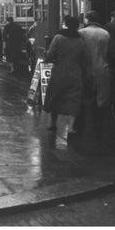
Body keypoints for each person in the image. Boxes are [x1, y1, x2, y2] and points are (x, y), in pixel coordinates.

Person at [43, 16, 88, 150]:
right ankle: (71, 127)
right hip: (75, 73)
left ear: (65, 24)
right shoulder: (81, 40)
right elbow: (85, 58)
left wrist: (47, 59)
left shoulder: (58, 38)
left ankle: (52, 123)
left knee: (55, 96)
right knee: (74, 99)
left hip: (59, 72)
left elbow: (50, 55)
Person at [78, 10, 111, 141]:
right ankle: (100, 126)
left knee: (86, 97)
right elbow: (108, 52)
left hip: (86, 68)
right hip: (102, 67)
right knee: (101, 98)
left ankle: (83, 126)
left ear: (87, 20)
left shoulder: (81, 33)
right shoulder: (105, 33)